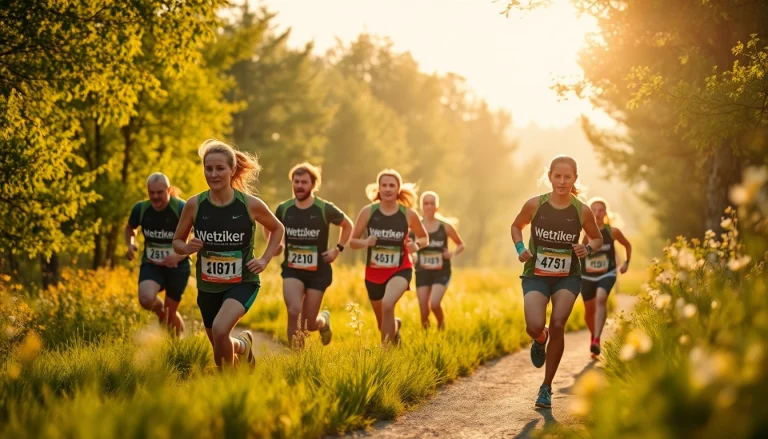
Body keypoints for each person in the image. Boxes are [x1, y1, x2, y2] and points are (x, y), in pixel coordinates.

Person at [172, 139, 284, 368]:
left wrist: (264, 259)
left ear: (232, 170)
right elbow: (177, 242)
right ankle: (243, 346)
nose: (213, 174)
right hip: (208, 285)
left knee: (222, 329)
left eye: (220, 168)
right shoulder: (194, 205)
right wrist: (186, 248)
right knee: (219, 341)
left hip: (242, 281)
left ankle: (226, 390)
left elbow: (277, 228)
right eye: (208, 168)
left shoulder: (250, 205)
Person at [510, 155, 603, 409]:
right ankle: (540, 339)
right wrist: (520, 247)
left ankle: (546, 387)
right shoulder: (535, 204)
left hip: (567, 276)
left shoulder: (581, 210)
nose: (562, 181)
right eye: (557, 176)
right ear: (550, 176)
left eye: (567, 177)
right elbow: (516, 226)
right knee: (534, 325)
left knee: (559, 322)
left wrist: (588, 249)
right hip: (536, 275)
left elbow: (596, 239)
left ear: (574, 179)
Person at [269, 162, 353, 348]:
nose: (299, 186)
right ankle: (296, 360)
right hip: (292, 270)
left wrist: (337, 249)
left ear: (313, 185)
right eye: (296, 181)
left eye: (304, 182)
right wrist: (275, 245)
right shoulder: (284, 208)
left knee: (309, 324)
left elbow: (348, 225)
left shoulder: (324, 208)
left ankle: (322, 320)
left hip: (318, 272)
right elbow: (270, 227)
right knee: (293, 310)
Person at [349, 169, 428, 345]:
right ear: (378, 188)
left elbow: (424, 238)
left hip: (400, 269)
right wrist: (366, 243)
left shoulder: (408, 214)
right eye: (384, 185)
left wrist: (416, 245)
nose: (387, 188)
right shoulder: (368, 211)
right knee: (382, 323)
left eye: (392, 185)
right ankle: (395, 327)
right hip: (374, 273)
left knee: (387, 304)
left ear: (398, 188)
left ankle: (385, 357)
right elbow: (352, 242)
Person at [125, 173, 188, 336]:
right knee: (145, 299)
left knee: (171, 312)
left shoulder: (182, 208)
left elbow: (197, 238)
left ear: (168, 190)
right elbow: (130, 228)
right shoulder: (141, 208)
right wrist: (130, 244)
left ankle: (176, 344)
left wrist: (178, 256)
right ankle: (161, 313)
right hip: (152, 264)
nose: (155, 197)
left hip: (178, 267)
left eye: (159, 192)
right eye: (151, 193)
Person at [581, 197, 632, 356]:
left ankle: (596, 338)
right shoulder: (585, 231)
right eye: (594, 210)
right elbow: (579, 251)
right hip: (587, 275)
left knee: (601, 298)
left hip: (607, 272)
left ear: (605, 212)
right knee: (589, 310)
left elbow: (627, 245)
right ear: (590, 212)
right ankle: (593, 335)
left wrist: (626, 263)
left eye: (600, 210)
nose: (597, 213)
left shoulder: (612, 231)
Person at [412, 191, 465, 330]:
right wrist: (413, 255)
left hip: (442, 271)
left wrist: (452, 253)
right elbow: (407, 245)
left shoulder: (445, 226)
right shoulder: (415, 225)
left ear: (437, 206)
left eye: (432, 203)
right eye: (426, 203)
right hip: (422, 271)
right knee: (424, 311)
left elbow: (461, 244)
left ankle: (442, 327)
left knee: (434, 304)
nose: (429, 206)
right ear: (421, 206)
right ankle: (425, 338)